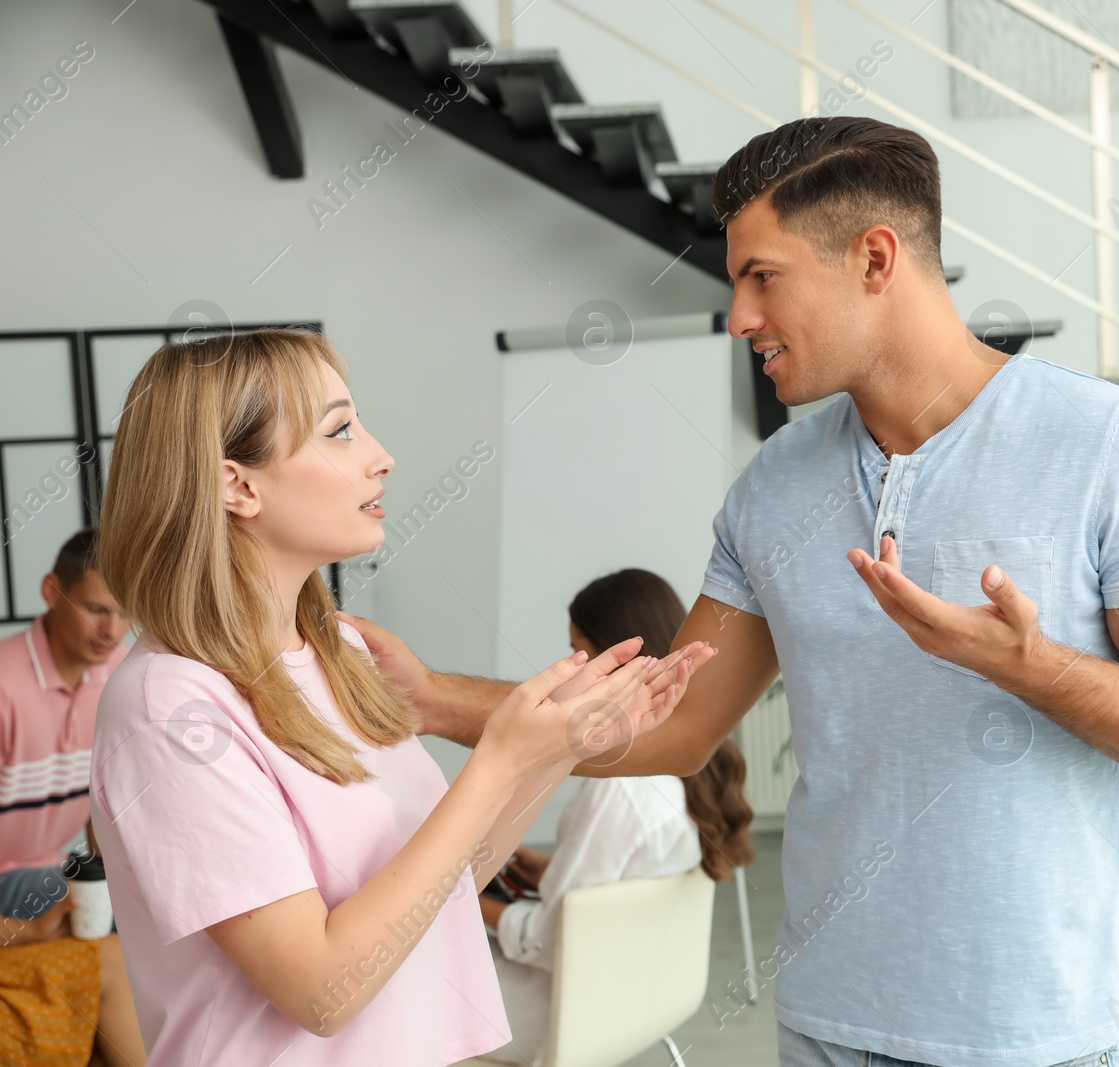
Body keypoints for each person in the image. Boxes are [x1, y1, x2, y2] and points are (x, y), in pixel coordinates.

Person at [346, 116, 1119, 1067]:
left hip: (1031, 1036)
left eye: (763, 276)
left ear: (875, 259)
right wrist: (430, 699)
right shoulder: (775, 487)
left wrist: (1032, 668)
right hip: (827, 1024)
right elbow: (673, 723)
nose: (740, 315)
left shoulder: (1113, 447)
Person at [86, 329, 713, 1065]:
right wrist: (496, 758)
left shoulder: (339, 653)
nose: (380, 454)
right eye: (340, 429)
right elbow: (321, 989)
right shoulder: (171, 708)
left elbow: (447, 881)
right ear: (238, 485)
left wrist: (557, 748)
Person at [473, 568, 755, 1067]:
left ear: (620, 660)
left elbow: (547, 940)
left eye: (582, 654)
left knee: (402, 976)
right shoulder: (691, 770)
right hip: (640, 1001)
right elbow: (616, 886)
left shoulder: (620, 790)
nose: (571, 671)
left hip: (558, 1013)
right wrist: (547, 869)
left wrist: (460, 905)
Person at [0, 527, 145, 1067]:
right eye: (94, 608)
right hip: (20, 880)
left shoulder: (121, 675)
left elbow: (108, 806)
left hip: (57, 871)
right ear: (50, 591)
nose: (112, 630)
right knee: (87, 910)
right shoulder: (5, 686)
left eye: (125, 612)